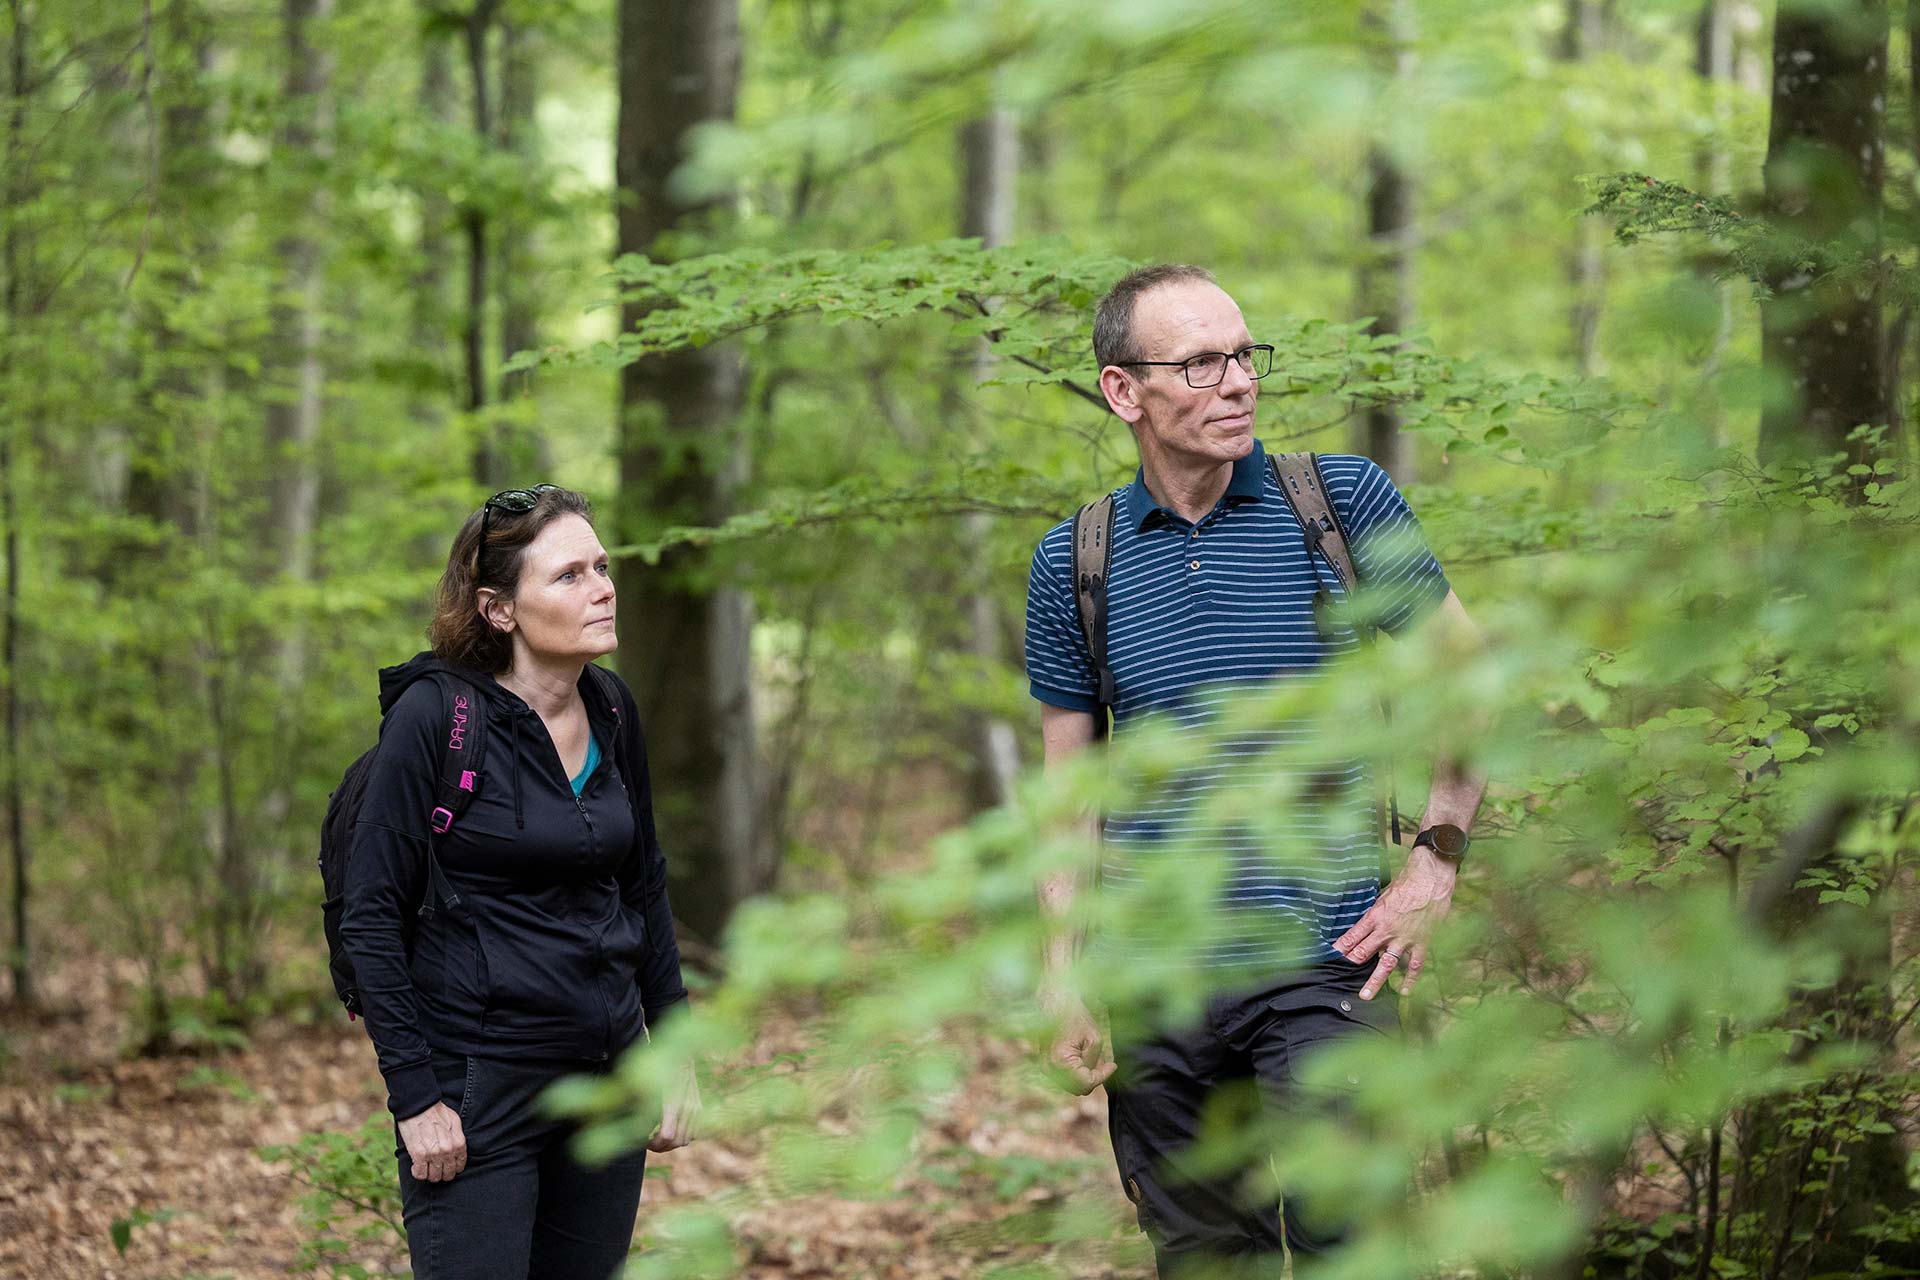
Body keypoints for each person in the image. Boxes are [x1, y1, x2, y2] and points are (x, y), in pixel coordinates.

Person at [1025, 265, 1488, 1276]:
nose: (1238, 381)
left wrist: (1436, 856)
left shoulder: (1341, 503)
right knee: (1201, 1254)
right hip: (1157, 979)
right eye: (1200, 362)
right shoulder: (1074, 562)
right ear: (1122, 391)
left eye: (1244, 354)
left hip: (1327, 955)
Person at [340, 484, 699, 1279]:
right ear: (499, 610)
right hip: (479, 1091)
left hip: (604, 1085)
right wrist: (415, 1097)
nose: (603, 587)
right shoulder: (435, 720)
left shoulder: (610, 708)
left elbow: (643, 887)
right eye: (569, 575)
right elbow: (370, 914)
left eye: (602, 567)